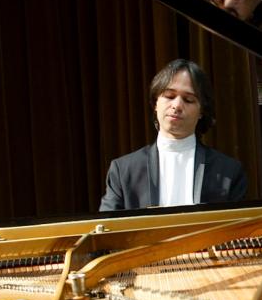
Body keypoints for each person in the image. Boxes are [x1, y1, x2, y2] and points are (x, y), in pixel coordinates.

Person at [99, 59, 247, 210]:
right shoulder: (124, 170)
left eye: (188, 100)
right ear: (155, 103)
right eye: (169, 96)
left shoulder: (229, 170)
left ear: (202, 111)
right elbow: (106, 228)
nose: (176, 105)